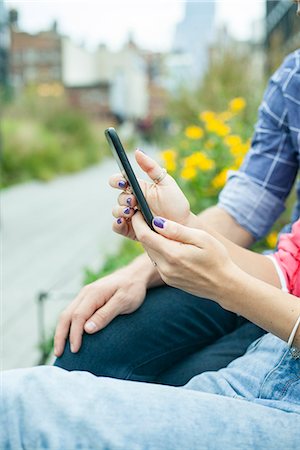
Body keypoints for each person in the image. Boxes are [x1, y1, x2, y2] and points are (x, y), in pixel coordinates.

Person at [54, 45, 300, 386]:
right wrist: (146, 264)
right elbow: (248, 208)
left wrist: (225, 283)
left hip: (270, 296)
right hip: (276, 277)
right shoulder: (293, 79)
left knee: (183, 381)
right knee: (87, 355)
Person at [1, 215, 300, 449]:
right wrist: (181, 224)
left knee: (18, 406)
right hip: (274, 351)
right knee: (86, 352)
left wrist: (224, 284)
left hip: (282, 378)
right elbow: (287, 268)